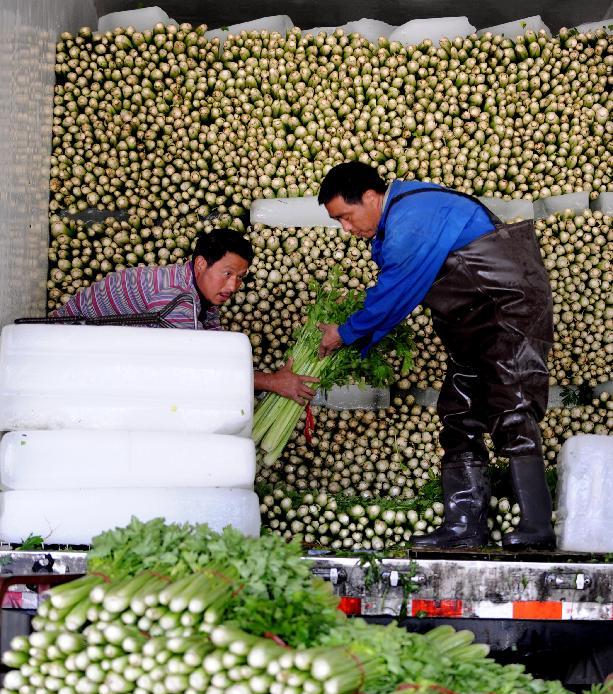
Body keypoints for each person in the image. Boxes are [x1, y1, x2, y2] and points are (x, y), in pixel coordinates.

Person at [317, 162, 555, 550]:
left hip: (506, 309)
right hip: (471, 320)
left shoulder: (411, 217)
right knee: (458, 411)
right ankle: (464, 527)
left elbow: (394, 293)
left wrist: (344, 333)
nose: (346, 229)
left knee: (512, 405)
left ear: (372, 197)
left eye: (346, 217)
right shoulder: (404, 212)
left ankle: (537, 525)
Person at [50, 228, 318, 405]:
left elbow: (213, 348)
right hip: (61, 354)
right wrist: (272, 382)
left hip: (96, 355)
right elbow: (196, 369)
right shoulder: (177, 298)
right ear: (201, 264)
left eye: (240, 278)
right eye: (227, 274)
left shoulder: (200, 293)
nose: (233, 286)